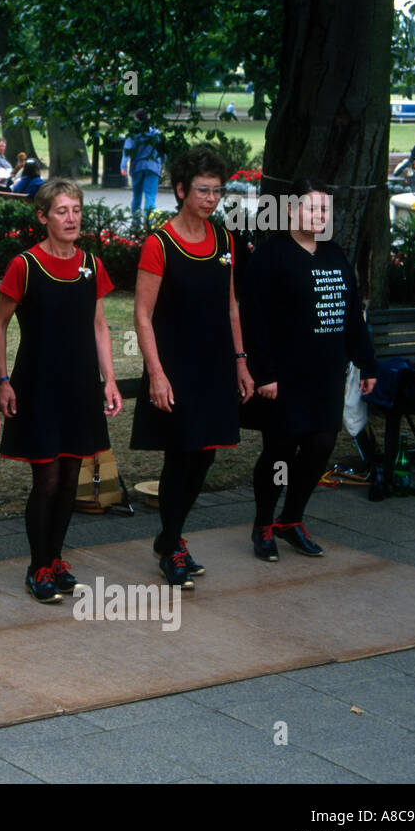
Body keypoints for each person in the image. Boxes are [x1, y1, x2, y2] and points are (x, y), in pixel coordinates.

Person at [0, 180, 123, 602]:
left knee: (72, 478)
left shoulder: (91, 265)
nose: (71, 218)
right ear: (43, 216)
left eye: (76, 210)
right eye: (62, 211)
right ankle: (37, 567)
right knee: (46, 478)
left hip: (81, 384)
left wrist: (110, 379)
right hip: (39, 384)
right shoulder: (24, 266)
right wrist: (2, 380)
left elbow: (100, 326)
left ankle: (55, 559)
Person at [130, 146, 254, 589]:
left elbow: (232, 306)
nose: (211, 199)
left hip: (216, 365)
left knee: (205, 455)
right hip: (176, 367)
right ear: (181, 190)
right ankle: (173, 545)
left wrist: (241, 362)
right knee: (179, 457)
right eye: (202, 190)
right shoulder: (159, 243)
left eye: (217, 191)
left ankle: (168, 538)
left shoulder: (225, 241)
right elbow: (142, 316)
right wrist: (157, 374)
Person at [242, 178, 377, 560]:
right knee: (280, 450)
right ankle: (264, 524)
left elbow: (352, 316)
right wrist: (264, 373)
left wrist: (367, 362)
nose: (318, 216)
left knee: (320, 446)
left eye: (323, 210)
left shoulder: (334, 254)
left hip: (325, 376)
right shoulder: (271, 256)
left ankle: (291, 520)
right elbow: (256, 320)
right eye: (310, 208)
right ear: (289, 211)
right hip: (284, 378)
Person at [121, 111, 165, 228]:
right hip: (153, 167)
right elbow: (162, 150)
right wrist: (162, 162)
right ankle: (149, 223)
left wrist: (123, 166)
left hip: (137, 167)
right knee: (150, 196)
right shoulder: (155, 133)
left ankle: (135, 222)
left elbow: (127, 151)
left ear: (136, 119)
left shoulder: (133, 134)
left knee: (137, 196)